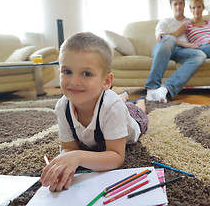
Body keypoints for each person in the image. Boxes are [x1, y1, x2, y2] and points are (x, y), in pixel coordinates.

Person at [40, 32, 148, 192]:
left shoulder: (113, 108)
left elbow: (116, 157)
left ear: (106, 82)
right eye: (67, 72)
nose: (74, 82)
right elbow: (69, 147)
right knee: (116, 101)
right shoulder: (62, 107)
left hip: (131, 118)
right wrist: (67, 164)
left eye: (86, 74)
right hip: (105, 103)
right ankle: (123, 95)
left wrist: (79, 157)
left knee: (137, 110)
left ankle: (138, 101)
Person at [145, 0, 206, 103]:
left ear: (184, 4)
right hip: (163, 49)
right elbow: (162, 39)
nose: (178, 7)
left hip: (180, 52)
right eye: (175, 4)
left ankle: (165, 89)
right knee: (169, 39)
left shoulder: (189, 22)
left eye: (180, 3)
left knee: (200, 55)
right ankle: (151, 88)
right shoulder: (165, 22)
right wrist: (186, 44)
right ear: (171, 6)